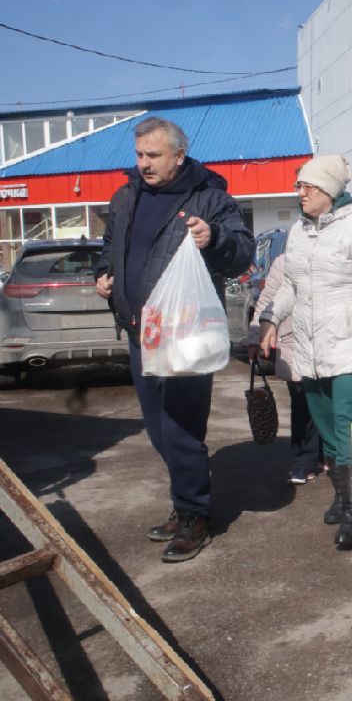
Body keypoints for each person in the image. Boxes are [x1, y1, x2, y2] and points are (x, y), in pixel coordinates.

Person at [95, 116, 254, 563]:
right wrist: (103, 274)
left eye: (153, 155)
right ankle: (185, 502)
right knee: (157, 429)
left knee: (180, 430)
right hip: (138, 331)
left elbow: (242, 251)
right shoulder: (126, 196)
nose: (144, 164)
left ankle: (194, 517)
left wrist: (215, 236)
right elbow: (110, 245)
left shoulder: (210, 196)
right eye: (140, 155)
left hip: (183, 333)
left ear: (178, 156)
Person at [258, 155, 352, 550]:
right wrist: (271, 319)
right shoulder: (299, 232)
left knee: (348, 427)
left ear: (329, 190)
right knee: (325, 427)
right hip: (310, 347)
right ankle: (343, 494)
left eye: (308, 187)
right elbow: (291, 284)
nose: (300, 193)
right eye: (300, 186)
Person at [247, 254, 323, 485]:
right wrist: (254, 336)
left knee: (327, 401)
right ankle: (304, 459)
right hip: (294, 342)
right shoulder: (284, 261)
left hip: (330, 341)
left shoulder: (335, 253)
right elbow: (268, 299)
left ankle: (327, 454)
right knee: (302, 402)